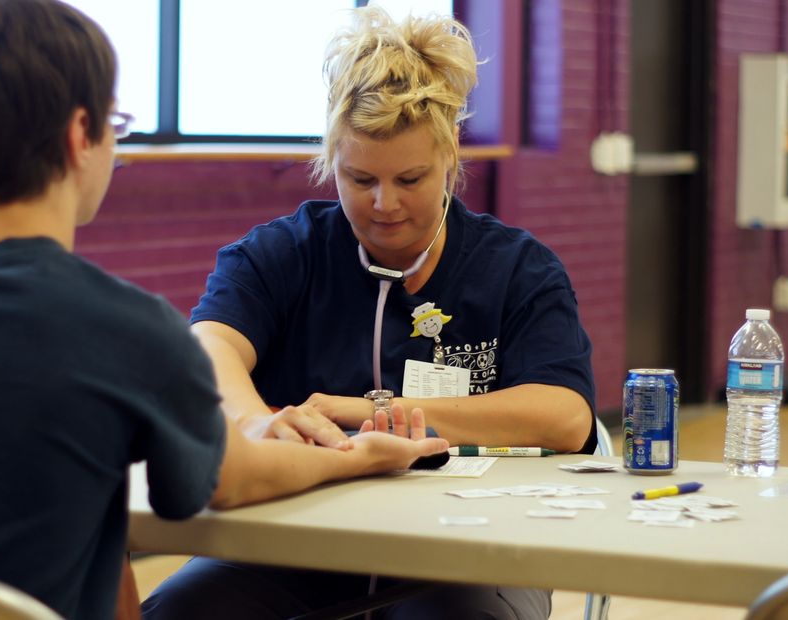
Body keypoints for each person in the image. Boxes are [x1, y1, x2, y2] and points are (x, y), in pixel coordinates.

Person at [0, 2, 447, 619]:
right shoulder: (123, 329)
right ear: (81, 133)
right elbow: (233, 481)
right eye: (115, 124)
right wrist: (361, 456)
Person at [142, 6, 595, 620]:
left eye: (410, 178)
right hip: (295, 543)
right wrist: (253, 425)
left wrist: (365, 412)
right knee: (178, 612)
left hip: (468, 544)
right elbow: (209, 348)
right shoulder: (282, 254)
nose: (384, 204)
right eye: (360, 179)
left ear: (451, 156)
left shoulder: (518, 269)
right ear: (332, 161)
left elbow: (565, 416)